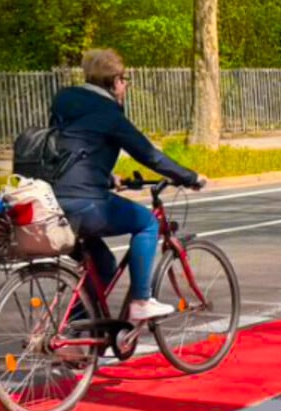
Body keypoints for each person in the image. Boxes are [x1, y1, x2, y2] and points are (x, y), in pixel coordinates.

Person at [49, 49, 207, 322]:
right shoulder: (110, 114)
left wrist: (109, 179)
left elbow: (69, 151)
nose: (126, 86)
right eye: (125, 79)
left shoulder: (64, 102)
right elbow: (149, 155)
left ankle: (71, 330)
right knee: (147, 223)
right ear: (114, 81)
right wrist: (190, 177)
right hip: (85, 203)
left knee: (103, 266)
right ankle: (142, 300)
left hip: (50, 203)